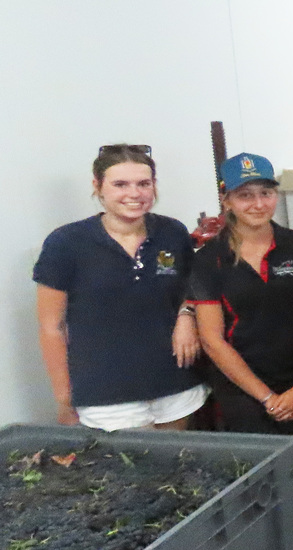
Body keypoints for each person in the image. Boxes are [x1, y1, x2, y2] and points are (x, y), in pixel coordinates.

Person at [190, 153, 293, 536]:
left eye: (266, 192)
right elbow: (212, 339)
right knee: (262, 475)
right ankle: (276, 548)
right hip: (242, 386)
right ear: (226, 200)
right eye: (245, 196)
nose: (258, 204)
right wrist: (266, 398)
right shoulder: (209, 260)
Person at [34, 144, 206, 430]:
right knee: (135, 471)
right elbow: (51, 327)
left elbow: (194, 288)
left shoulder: (172, 232)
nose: (134, 194)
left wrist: (186, 315)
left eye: (143, 184)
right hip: (107, 397)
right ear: (98, 187)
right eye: (120, 184)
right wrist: (64, 399)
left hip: (175, 383)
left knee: (180, 468)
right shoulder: (66, 243)